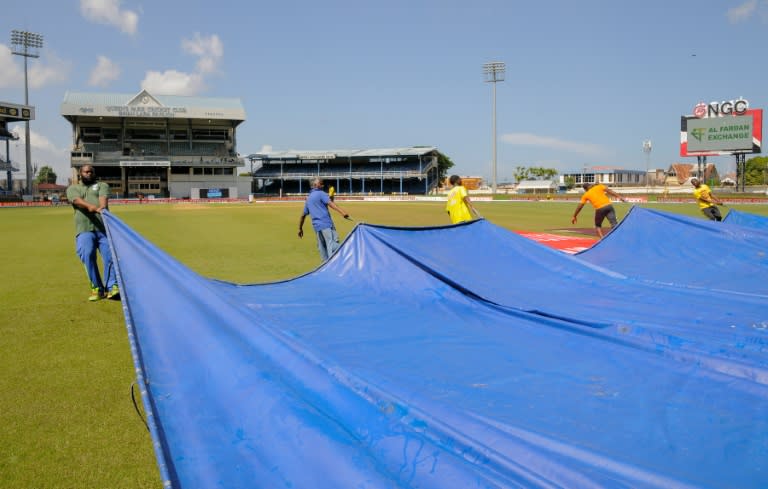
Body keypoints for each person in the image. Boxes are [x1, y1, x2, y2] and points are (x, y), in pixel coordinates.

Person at [66, 165, 119, 301]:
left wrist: (100, 207)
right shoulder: (73, 188)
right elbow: (76, 201)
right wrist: (91, 207)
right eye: (86, 171)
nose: (88, 173)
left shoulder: (102, 185)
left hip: (103, 229)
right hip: (84, 229)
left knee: (110, 257)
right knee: (87, 255)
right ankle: (97, 289)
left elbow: (103, 201)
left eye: (91, 171)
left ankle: (112, 287)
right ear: (80, 174)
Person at [298, 178, 351, 261]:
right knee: (333, 246)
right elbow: (331, 204)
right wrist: (343, 212)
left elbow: (303, 215)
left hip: (317, 228)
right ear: (315, 185)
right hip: (326, 225)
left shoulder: (309, 198)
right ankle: (350, 249)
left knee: (322, 249)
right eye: (321, 183)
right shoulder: (321, 193)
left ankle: (325, 268)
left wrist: (300, 228)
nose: (323, 185)